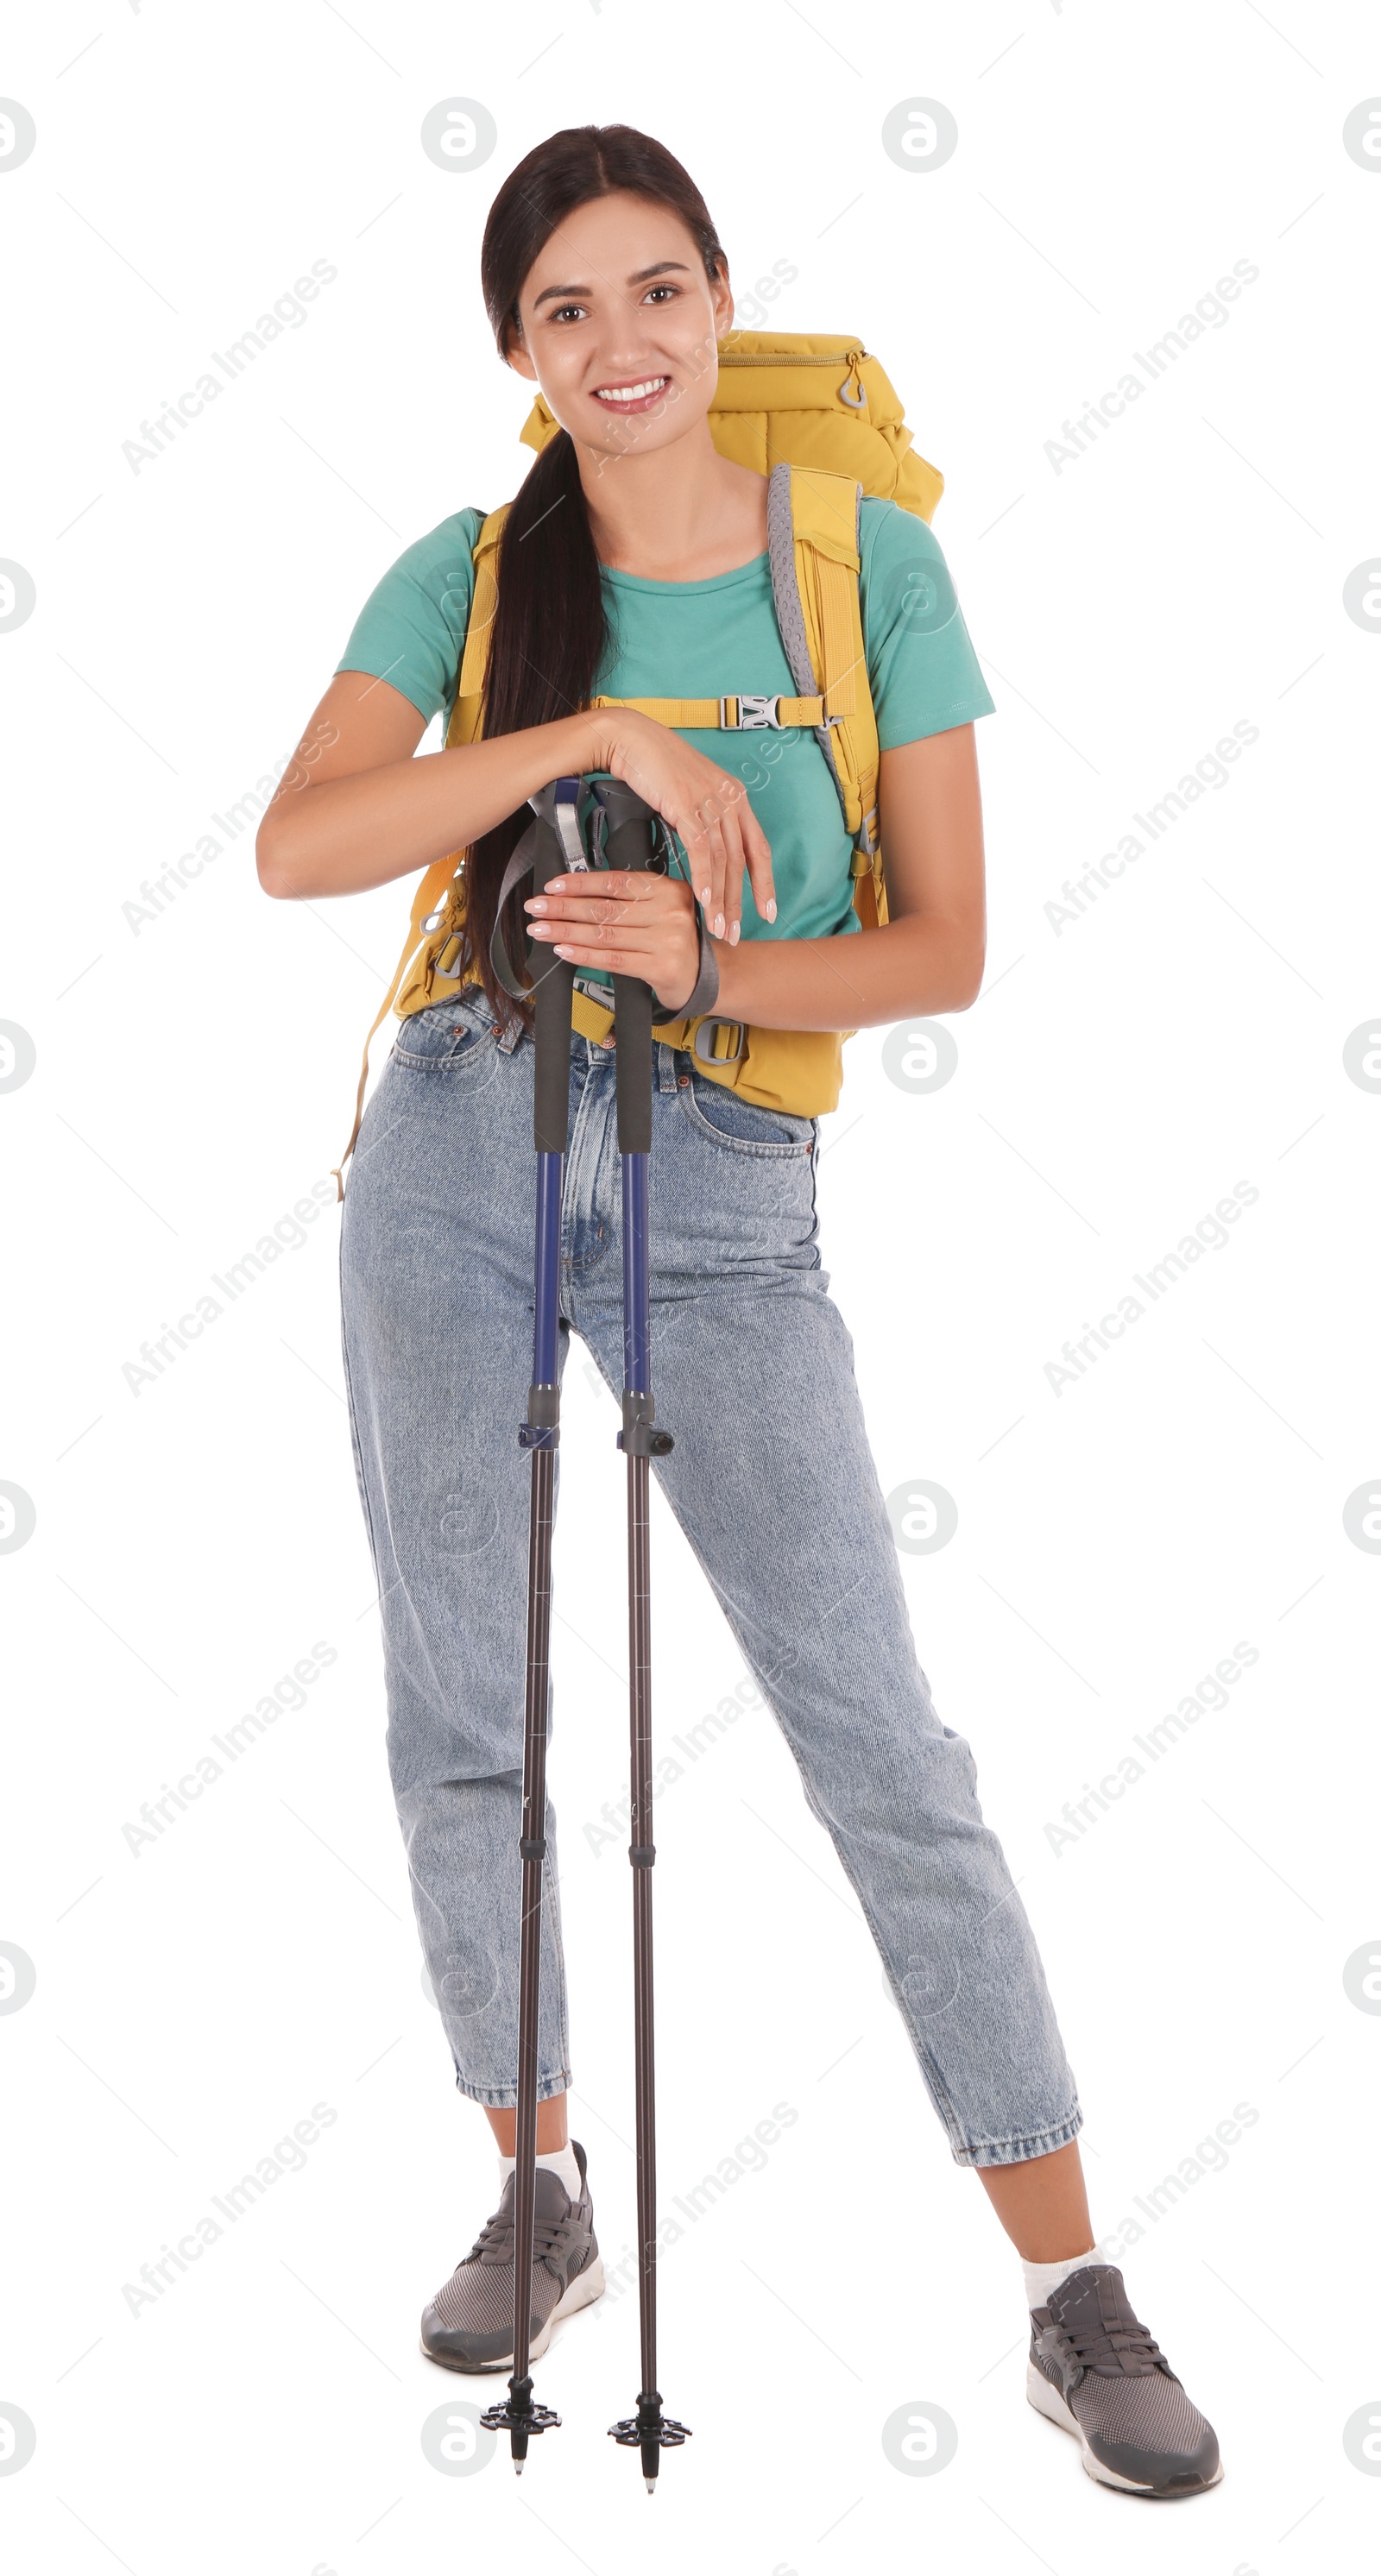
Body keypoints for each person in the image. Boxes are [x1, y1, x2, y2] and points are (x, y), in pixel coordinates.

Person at [255, 123, 1220, 2499]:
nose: (624, 344)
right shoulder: (472, 575)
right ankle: (542, 2178)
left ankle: (1069, 2284)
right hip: (463, 1157)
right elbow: (303, 841)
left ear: (721, 299)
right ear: (520, 350)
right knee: (459, 1715)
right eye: (567, 308)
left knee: (882, 1740)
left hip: (727, 1185)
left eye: (659, 288)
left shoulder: (868, 564)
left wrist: (715, 957)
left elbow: (950, 945)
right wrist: (586, 740)